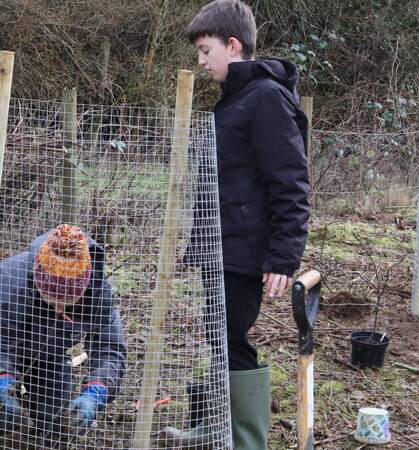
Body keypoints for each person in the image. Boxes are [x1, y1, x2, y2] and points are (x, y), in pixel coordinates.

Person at [161, 1, 311, 448]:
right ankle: (215, 426)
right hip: (218, 242)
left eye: (206, 50)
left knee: (230, 336)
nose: (201, 61)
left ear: (233, 44)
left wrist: (284, 257)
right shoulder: (234, 99)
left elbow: (290, 181)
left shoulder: (264, 98)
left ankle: (247, 439)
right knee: (218, 333)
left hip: (244, 249)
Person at [0, 224, 128, 438]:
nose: (59, 308)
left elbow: (109, 348)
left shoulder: (98, 291)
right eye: (52, 299)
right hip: (7, 349)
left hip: (50, 355)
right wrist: (0, 378)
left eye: (68, 301)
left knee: (58, 426)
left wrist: (96, 392)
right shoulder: (9, 280)